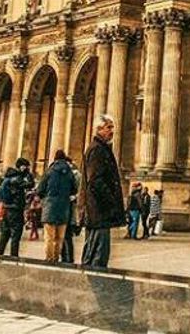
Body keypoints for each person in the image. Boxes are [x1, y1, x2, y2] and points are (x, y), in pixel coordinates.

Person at [78, 113, 126, 270]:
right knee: (98, 253)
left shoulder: (99, 148)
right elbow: (95, 181)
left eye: (112, 127)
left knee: (95, 250)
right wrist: (110, 201)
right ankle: (95, 282)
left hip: (98, 209)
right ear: (99, 129)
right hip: (99, 210)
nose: (112, 131)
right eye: (109, 127)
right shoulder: (98, 150)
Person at [36, 149, 78, 264]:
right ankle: (56, 257)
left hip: (50, 207)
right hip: (64, 208)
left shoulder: (50, 171)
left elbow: (40, 189)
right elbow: (74, 189)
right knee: (60, 237)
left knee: (49, 236)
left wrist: (43, 196)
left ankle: (50, 258)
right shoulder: (69, 172)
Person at [0, 157, 33, 259]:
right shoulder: (17, 178)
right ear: (22, 167)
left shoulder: (7, 177)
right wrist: (29, 175)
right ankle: (14, 257)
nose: (27, 169)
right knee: (16, 235)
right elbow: (30, 185)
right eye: (26, 167)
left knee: (4, 235)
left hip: (6, 209)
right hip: (15, 210)